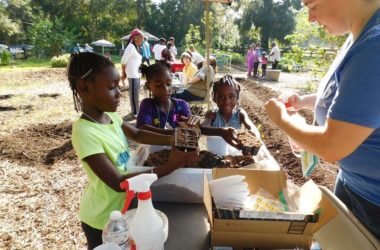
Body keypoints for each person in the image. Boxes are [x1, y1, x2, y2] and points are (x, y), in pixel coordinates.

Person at [265, 0, 380, 240]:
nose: (310, 18)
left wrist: (283, 120)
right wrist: (304, 101)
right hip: (353, 187)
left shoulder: (375, 45)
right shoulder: (358, 34)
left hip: (373, 207)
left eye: (313, 5)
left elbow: (331, 146)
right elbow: (353, 96)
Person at [67, 52, 198, 249]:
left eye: (118, 87)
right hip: (103, 220)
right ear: (84, 88)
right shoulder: (84, 132)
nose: (120, 93)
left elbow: (138, 134)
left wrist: (174, 139)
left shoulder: (112, 117)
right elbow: (119, 183)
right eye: (112, 88)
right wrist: (174, 164)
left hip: (127, 208)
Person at [137, 64, 241, 148]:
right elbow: (142, 128)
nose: (165, 89)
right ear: (148, 86)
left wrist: (195, 122)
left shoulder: (181, 105)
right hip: (153, 150)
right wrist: (172, 133)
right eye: (159, 85)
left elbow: (193, 130)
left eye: (168, 84)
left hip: (179, 154)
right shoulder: (147, 105)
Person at [121, 28, 144, 118]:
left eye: (142, 38)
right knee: (134, 94)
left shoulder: (136, 47)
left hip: (136, 74)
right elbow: (123, 61)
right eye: (140, 38)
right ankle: (134, 112)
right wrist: (123, 74)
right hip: (132, 74)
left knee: (136, 93)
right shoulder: (130, 47)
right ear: (134, 38)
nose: (142, 40)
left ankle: (136, 110)